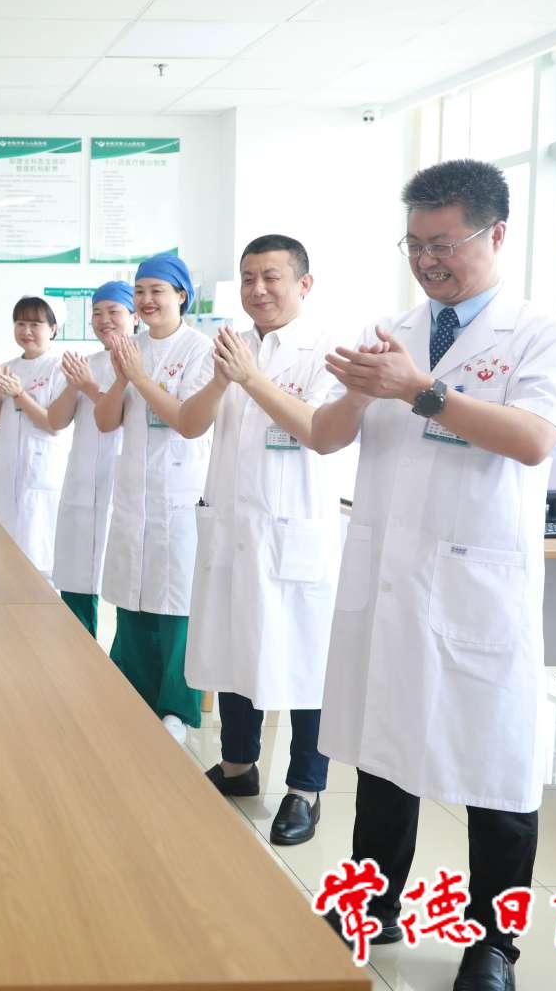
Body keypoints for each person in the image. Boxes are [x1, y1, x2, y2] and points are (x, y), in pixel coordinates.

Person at [305, 160, 556, 991]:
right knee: (383, 750)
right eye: (415, 244)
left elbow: (534, 439)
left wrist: (421, 391)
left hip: (476, 585)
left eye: (444, 244)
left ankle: (493, 945)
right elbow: (325, 436)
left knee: (494, 770)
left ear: (496, 234)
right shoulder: (391, 328)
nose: (427, 261)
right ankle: (373, 903)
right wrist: (361, 394)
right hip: (390, 576)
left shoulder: (542, 333)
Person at [173, 235, 345, 847]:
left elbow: (320, 431)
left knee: (304, 661)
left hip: (292, 532)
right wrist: (223, 381)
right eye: (248, 278)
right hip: (232, 526)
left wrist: (250, 379)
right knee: (233, 645)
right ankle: (238, 765)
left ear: (304, 284)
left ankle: (305, 788)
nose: (258, 289)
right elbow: (188, 424)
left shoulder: (329, 351)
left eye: (271, 277)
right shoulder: (228, 345)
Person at [97, 253, 214, 743]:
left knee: (176, 604)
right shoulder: (131, 347)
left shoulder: (202, 350)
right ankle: (133, 698)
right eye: (140, 291)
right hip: (134, 496)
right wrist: (124, 375)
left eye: (157, 291)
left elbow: (188, 421)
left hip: (179, 496)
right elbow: (106, 421)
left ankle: (177, 711)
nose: (146, 300)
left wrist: (140, 377)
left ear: (181, 295)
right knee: (132, 599)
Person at [49, 281, 133, 636]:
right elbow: (55, 421)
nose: (104, 320)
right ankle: (76, 653)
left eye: (114, 311)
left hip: (122, 485)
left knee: (126, 588)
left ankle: (116, 662)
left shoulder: (144, 363)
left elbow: (119, 416)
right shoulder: (86, 364)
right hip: (82, 485)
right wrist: (75, 384)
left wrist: (88, 386)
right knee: (77, 580)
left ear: (134, 316)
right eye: (97, 313)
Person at [0, 295, 71, 580]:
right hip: (8, 474)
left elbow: (54, 425)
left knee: (39, 560)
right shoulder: (6, 368)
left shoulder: (60, 369)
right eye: (20, 323)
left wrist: (19, 394)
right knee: (2, 559)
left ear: (53, 329)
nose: (27, 330)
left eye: (35, 324)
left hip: (41, 476)